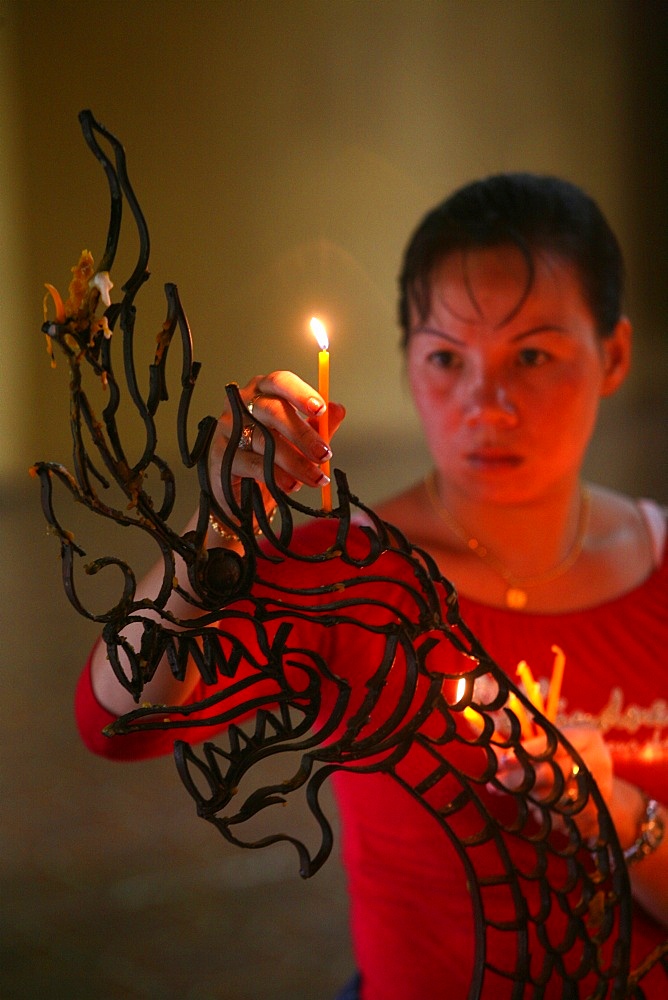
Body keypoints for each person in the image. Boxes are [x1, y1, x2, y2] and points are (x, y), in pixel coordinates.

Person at [76, 174, 667, 998]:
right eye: (445, 359)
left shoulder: (659, 569)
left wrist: (616, 811)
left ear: (613, 356)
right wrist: (213, 531)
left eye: (532, 355)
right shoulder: (348, 575)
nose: (485, 404)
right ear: (406, 363)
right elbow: (119, 720)